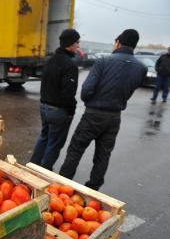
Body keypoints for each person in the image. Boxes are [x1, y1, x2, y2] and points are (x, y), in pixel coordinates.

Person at [59, 29, 147, 191]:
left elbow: (86, 91)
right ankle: (93, 188)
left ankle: (64, 186)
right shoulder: (141, 68)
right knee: (103, 155)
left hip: (93, 114)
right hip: (114, 117)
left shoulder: (103, 62)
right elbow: (129, 90)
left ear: (119, 43)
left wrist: (92, 102)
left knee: (76, 149)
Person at [30, 29, 81, 171]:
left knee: (44, 137)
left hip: (44, 107)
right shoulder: (69, 65)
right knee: (54, 143)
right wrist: (71, 111)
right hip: (58, 111)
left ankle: (31, 167)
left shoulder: (49, 60)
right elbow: (68, 94)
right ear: (70, 44)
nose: (78, 45)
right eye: (77, 42)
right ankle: (44, 172)